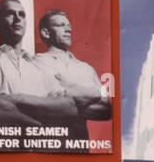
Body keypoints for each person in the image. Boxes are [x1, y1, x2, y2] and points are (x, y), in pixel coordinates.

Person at [0, 0, 101, 145]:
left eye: (22, 14)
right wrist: (43, 128)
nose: (17, 19)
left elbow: (68, 107)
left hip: (33, 155)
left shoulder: (37, 66)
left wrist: (16, 99)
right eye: (10, 14)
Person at [30, 10, 111, 140]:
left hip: (80, 148)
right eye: (61, 25)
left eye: (69, 26)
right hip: (49, 145)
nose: (68, 30)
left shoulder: (86, 68)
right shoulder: (36, 63)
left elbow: (106, 109)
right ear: (46, 33)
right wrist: (90, 94)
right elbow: (44, 102)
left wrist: (69, 87)